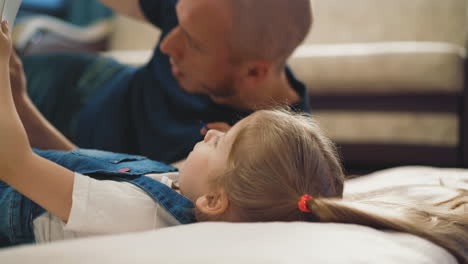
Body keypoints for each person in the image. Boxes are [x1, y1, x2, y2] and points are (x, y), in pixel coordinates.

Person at [1, 23, 467, 263]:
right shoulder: (174, 187)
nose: (211, 130)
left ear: (215, 200)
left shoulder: (138, 214)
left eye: (223, 144)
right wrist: (20, 100)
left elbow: (16, 165)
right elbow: (74, 169)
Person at [20, 0, 313, 163]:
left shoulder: (267, 150)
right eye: (177, 23)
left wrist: (21, 112)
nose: (166, 46)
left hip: (65, 144)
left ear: (254, 73)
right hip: (89, 80)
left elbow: (113, 190)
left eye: (194, 44)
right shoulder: (207, 12)